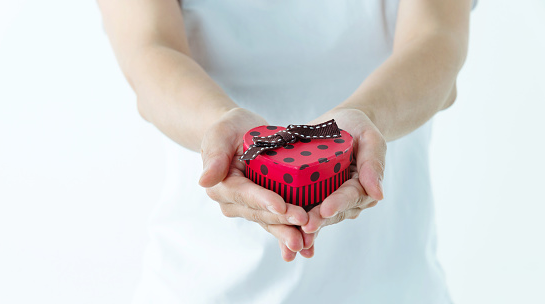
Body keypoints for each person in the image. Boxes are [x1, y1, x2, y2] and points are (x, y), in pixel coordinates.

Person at [98, 0, 477, 302]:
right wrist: (219, 125)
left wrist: (368, 115)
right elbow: (148, 53)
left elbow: (438, 38)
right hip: (203, 285)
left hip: (395, 289)